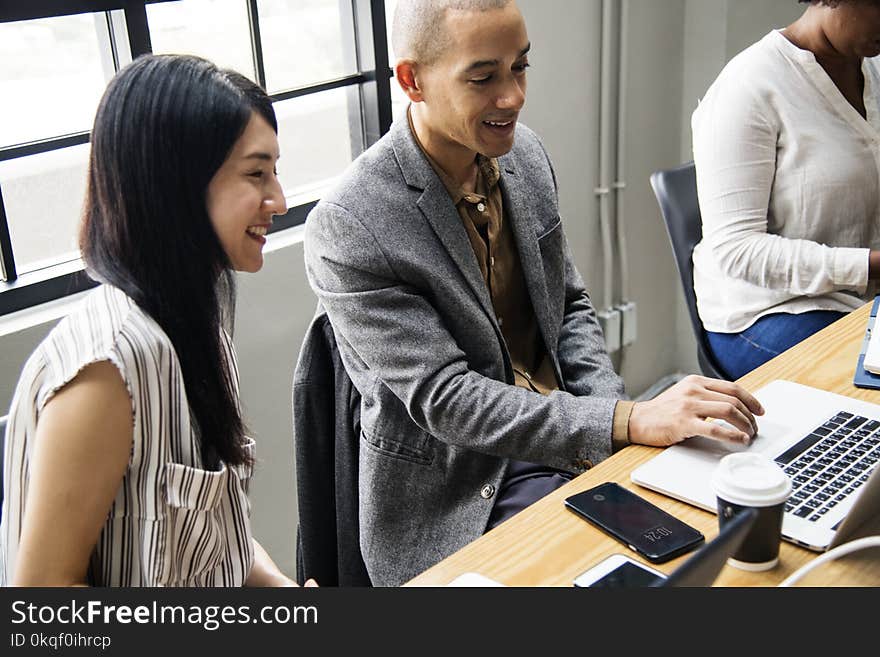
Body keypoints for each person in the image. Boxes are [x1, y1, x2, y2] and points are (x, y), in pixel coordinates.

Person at [303, 0, 763, 587]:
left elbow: (567, 306)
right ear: (412, 81)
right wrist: (624, 420)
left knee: (719, 521)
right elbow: (448, 400)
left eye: (520, 67)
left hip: (567, 433)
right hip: (464, 488)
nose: (514, 96)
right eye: (484, 76)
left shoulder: (525, 156)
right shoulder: (352, 222)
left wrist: (620, 429)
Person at [0, 54, 312, 587]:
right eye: (256, 173)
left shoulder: (194, 325)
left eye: (275, 171)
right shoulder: (109, 367)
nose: (279, 199)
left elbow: (217, 536)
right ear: (176, 188)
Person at [692, 0, 880, 380]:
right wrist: (870, 264)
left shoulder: (872, 68)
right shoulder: (748, 86)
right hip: (772, 309)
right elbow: (737, 249)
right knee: (868, 391)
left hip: (860, 298)